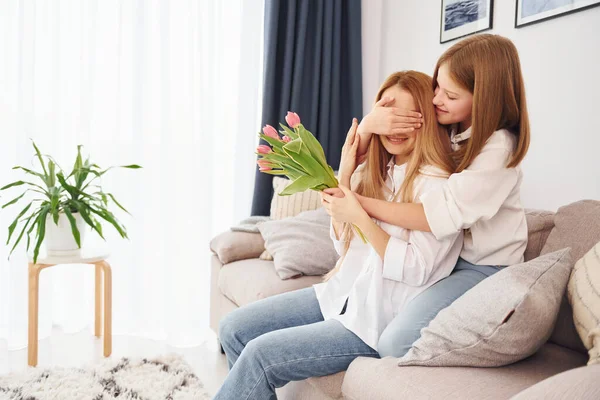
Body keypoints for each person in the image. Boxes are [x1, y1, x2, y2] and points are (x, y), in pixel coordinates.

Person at [214, 71, 462, 400]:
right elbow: (342, 244)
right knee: (233, 328)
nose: (391, 126)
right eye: (384, 112)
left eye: (401, 115)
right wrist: (347, 168)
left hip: (373, 323)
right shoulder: (381, 173)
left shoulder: (439, 187)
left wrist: (360, 215)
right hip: (340, 296)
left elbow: (416, 268)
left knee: (260, 357)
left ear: (425, 119)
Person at [324, 34, 531, 358]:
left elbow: (431, 215)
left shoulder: (498, 150)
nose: (436, 100)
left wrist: (357, 206)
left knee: (394, 342)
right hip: (454, 259)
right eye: (436, 88)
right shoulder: (455, 130)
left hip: (485, 266)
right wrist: (366, 127)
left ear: (484, 99)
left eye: (449, 94)